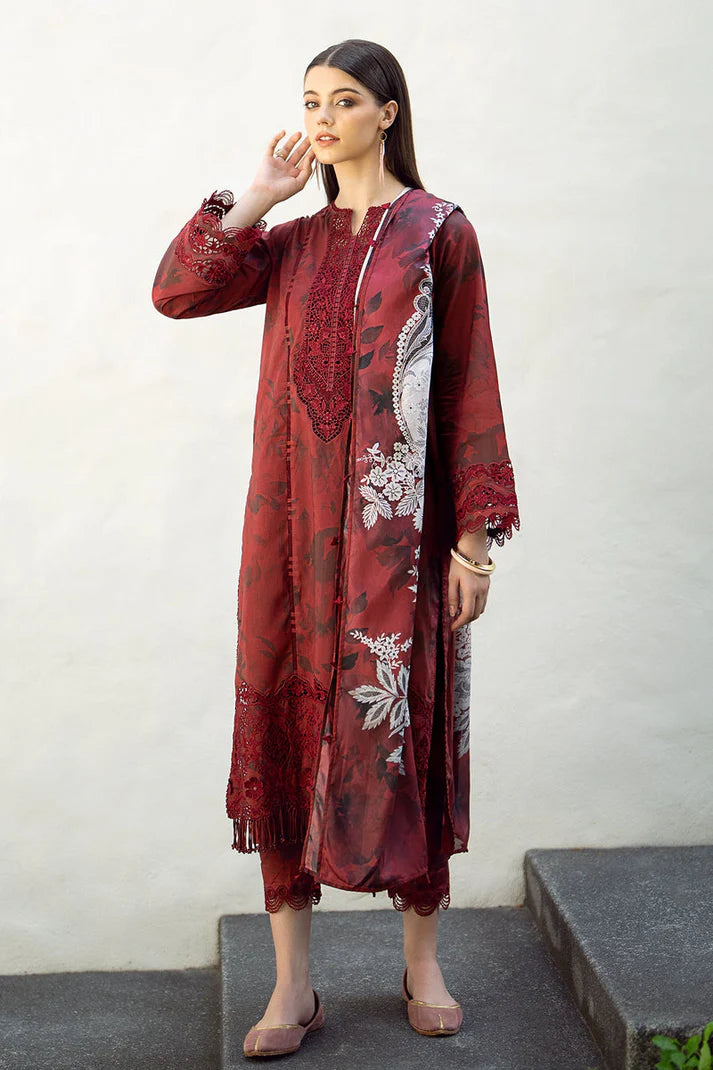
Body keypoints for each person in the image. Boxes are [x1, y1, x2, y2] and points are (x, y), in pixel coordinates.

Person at [152, 38, 520, 1057]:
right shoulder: (292, 242)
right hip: (286, 532)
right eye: (310, 100)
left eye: (344, 100)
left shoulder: (438, 232)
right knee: (285, 720)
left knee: (402, 723)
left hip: (399, 538)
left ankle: (422, 963)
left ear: (387, 113)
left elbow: (469, 383)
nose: (320, 117)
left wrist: (474, 544)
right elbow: (176, 290)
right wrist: (258, 198)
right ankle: (292, 985)